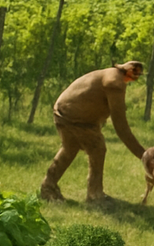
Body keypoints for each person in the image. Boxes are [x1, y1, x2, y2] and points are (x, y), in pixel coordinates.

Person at [40, 60, 146, 204]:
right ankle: (95, 195)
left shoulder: (111, 75)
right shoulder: (114, 82)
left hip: (65, 111)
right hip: (74, 116)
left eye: (139, 73)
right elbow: (121, 126)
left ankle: (48, 186)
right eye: (135, 72)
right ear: (128, 70)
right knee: (97, 148)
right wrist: (144, 155)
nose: (136, 76)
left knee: (70, 148)